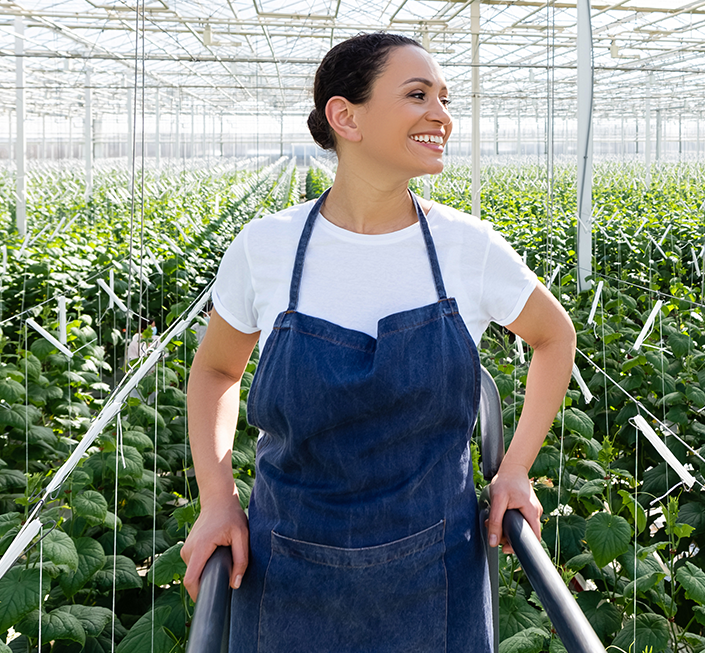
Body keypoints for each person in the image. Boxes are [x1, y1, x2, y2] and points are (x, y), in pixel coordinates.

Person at [178, 32, 578, 652]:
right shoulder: (267, 247)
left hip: (436, 575)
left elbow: (555, 337)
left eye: (444, 99)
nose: (441, 116)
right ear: (346, 116)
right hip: (286, 571)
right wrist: (217, 499)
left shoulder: (468, 248)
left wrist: (516, 469)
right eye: (418, 95)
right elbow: (214, 374)